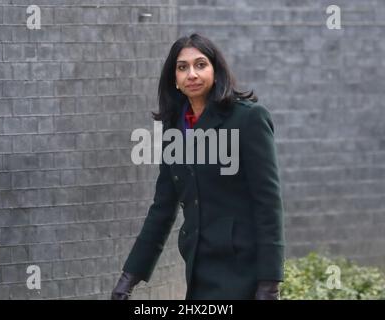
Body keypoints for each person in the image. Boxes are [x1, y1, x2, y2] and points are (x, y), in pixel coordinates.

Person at [111, 33, 285, 300]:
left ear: (216, 71)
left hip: (244, 270)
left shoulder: (248, 119)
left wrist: (269, 284)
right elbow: (162, 207)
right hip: (197, 267)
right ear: (175, 79)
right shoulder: (175, 127)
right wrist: (128, 278)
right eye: (182, 67)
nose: (191, 74)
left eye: (200, 64)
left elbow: (268, 203)